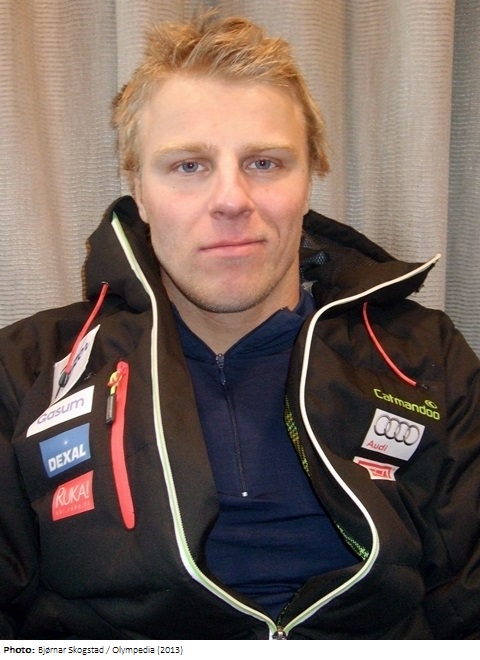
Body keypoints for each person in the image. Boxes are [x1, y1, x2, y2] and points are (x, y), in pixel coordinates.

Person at [0, 10, 479, 641]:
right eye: (188, 166)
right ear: (139, 192)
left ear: (308, 181)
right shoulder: (27, 369)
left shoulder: (424, 356)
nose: (231, 200)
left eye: (265, 163)